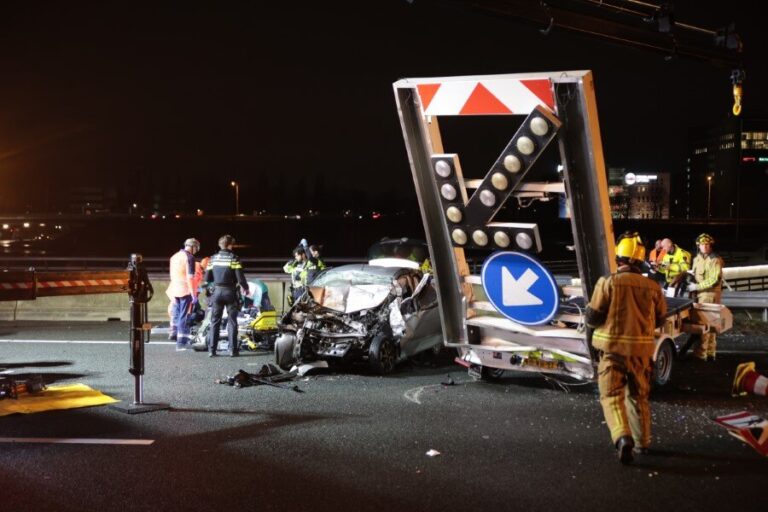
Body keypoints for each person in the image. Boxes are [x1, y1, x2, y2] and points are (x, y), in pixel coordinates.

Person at [586, 232, 667, 464]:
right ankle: (643, 443)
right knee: (638, 397)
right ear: (639, 261)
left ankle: (622, 437)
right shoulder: (653, 287)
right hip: (641, 354)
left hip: (612, 352)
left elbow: (593, 316)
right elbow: (661, 319)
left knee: (611, 396)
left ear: (620, 258)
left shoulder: (608, 282)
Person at [205, 235, 249, 357]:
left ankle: (212, 350)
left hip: (217, 292)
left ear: (220, 245)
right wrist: (246, 288)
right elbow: (241, 278)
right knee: (232, 321)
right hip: (230, 292)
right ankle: (233, 350)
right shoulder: (234, 258)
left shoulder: (212, 259)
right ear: (230, 245)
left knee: (215, 321)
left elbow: (207, 278)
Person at [686, 233, 724, 361]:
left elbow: (713, 279)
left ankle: (701, 354)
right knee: (711, 324)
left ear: (711, 245)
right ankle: (710, 353)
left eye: (707, 244)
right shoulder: (697, 258)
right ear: (698, 245)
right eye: (702, 244)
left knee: (704, 324)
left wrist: (696, 287)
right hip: (701, 294)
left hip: (710, 294)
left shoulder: (715, 259)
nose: (705, 247)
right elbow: (696, 273)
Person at [167, 238, 200, 351]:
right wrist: (193, 294)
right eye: (196, 248)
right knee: (184, 316)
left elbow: (171, 275)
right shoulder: (189, 257)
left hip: (174, 289)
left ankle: (174, 333)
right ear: (193, 247)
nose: (196, 251)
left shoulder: (174, 256)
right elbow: (190, 277)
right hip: (185, 290)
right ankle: (181, 343)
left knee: (176, 313)